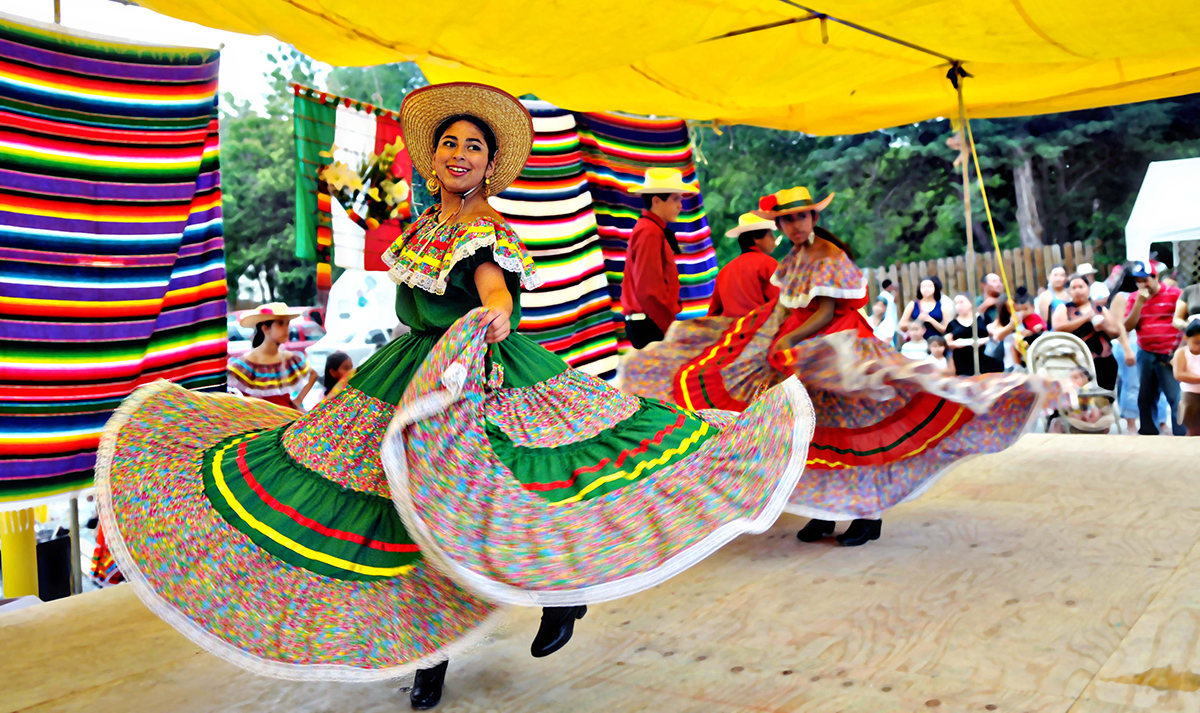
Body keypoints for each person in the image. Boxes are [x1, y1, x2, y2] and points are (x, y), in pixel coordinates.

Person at [96, 83, 811, 711]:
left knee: (516, 489)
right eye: (450, 143)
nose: (461, 153)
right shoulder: (422, 230)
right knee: (391, 509)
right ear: (433, 159)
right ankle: (425, 652)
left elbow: (493, 279)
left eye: (474, 145)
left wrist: (496, 308)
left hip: (484, 374)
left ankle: (561, 588)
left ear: (491, 165)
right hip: (407, 373)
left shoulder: (486, 227)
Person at [620, 184, 1056, 549]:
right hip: (804, 355)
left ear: (812, 218)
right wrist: (754, 339)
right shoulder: (790, 259)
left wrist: (787, 339)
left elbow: (825, 312)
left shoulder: (827, 255)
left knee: (861, 430)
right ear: (778, 226)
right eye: (787, 220)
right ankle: (826, 513)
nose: (795, 226)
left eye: (801, 218)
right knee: (812, 432)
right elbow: (782, 309)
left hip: (837, 349)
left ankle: (868, 514)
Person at [623, 167, 695, 348]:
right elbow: (649, 290)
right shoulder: (650, 232)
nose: (680, 205)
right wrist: (668, 326)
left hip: (650, 321)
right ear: (656, 200)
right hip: (651, 323)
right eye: (675, 199)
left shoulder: (651, 230)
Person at [1123, 260, 1185, 435]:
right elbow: (1128, 326)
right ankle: (1149, 434)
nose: (1142, 284)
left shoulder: (1174, 294)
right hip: (1146, 351)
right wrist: (1139, 304)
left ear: (1155, 277)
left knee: (1175, 397)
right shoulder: (1135, 298)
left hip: (1169, 352)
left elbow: (1185, 323)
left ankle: (1183, 435)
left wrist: (1179, 351)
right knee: (1146, 397)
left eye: (1145, 280)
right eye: (1138, 281)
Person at [1110, 263, 1171, 434]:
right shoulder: (1122, 297)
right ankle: (1131, 423)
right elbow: (1119, 326)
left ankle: (1160, 422)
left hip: (1151, 346)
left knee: (1158, 386)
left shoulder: (1153, 295)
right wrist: (1127, 349)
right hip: (1129, 344)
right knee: (1133, 384)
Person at [227, 302, 318, 410]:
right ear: (265, 328)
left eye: (287, 323)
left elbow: (313, 374)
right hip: (259, 423)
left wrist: (297, 401)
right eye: (280, 323)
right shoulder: (245, 364)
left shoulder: (290, 359)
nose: (286, 329)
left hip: (286, 420)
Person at [1052, 274, 1119, 390]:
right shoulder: (1064, 308)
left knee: (1106, 397)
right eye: (1074, 288)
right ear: (1068, 291)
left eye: (1081, 287)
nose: (1077, 291)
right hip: (1077, 363)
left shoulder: (1099, 309)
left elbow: (1116, 332)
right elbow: (1058, 327)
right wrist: (1085, 318)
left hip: (1104, 361)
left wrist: (1104, 327)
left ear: (1088, 289)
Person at [708, 213, 779, 318]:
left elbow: (713, 312)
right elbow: (780, 302)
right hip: (759, 328)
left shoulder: (725, 270)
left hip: (731, 331)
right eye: (770, 235)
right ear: (756, 238)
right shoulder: (768, 263)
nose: (774, 239)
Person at [947, 293, 1003, 375]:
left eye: (961, 302)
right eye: (956, 303)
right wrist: (960, 343)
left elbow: (995, 334)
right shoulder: (952, 324)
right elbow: (948, 342)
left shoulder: (983, 319)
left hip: (986, 362)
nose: (959, 306)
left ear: (970, 303)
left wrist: (983, 341)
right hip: (963, 364)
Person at [898, 276, 951, 340]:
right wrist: (916, 322)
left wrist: (930, 320)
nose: (926, 289)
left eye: (930, 286)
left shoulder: (942, 305)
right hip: (917, 343)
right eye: (923, 287)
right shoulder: (913, 304)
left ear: (935, 288)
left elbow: (947, 329)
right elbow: (902, 325)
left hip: (935, 344)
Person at [1173, 319, 1200, 436]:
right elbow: (1179, 374)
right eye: (1197, 343)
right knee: (1193, 429)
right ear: (1186, 339)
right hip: (1190, 396)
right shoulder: (1181, 353)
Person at [875, 278, 900, 347]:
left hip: (890, 322)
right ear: (889, 286)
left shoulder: (887, 295)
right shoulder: (884, 296)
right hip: (887, 323)